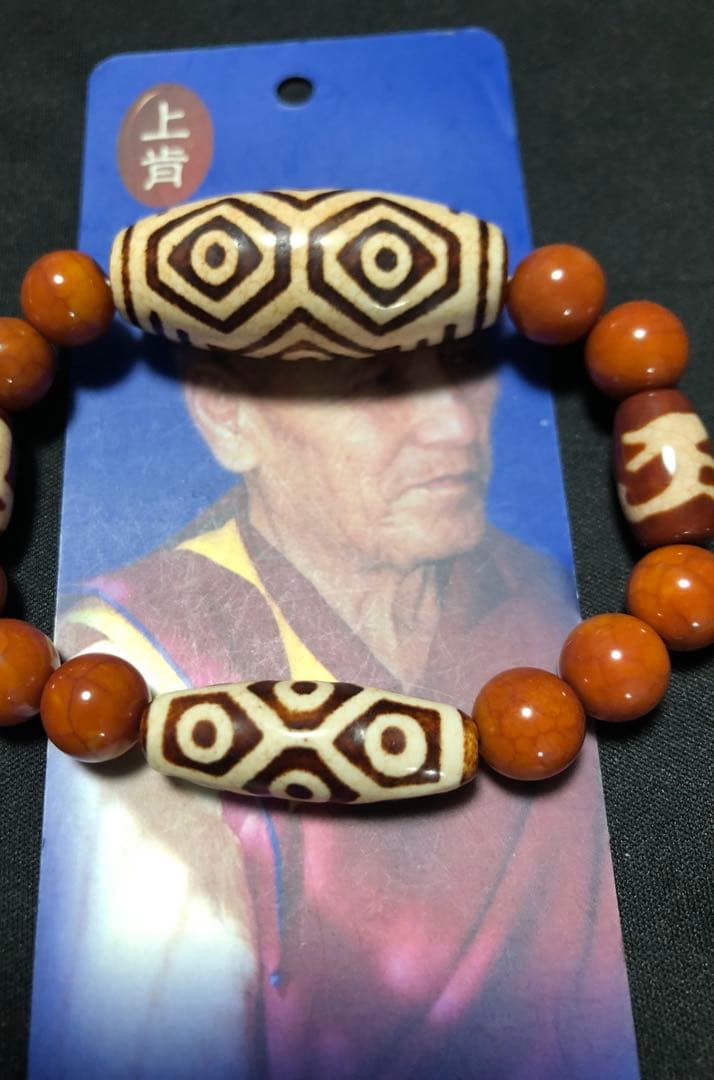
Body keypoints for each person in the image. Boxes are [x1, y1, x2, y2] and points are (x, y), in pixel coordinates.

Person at [49, 344, 636, 1079]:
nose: (457, 425)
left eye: (467, 369)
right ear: (230, 415)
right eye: (377, 383)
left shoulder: (551, 598)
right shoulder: (133, 664)